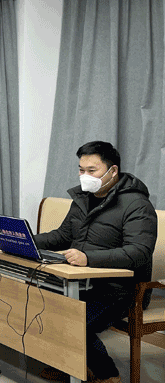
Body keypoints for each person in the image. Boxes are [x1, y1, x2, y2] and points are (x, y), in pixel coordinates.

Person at [35, 141, 157, 383]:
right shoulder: (82, 199)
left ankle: (107, 375)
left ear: (113, 171)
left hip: (118, 289)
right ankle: (70, 363)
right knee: (40, 304)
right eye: (81, 170)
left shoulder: (137, 205)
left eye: (92, 170)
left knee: (74, 320)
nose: (85, 176)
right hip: (80, 281)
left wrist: (88, 258)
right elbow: (62, 236)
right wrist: (22, 239)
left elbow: (139, 252)